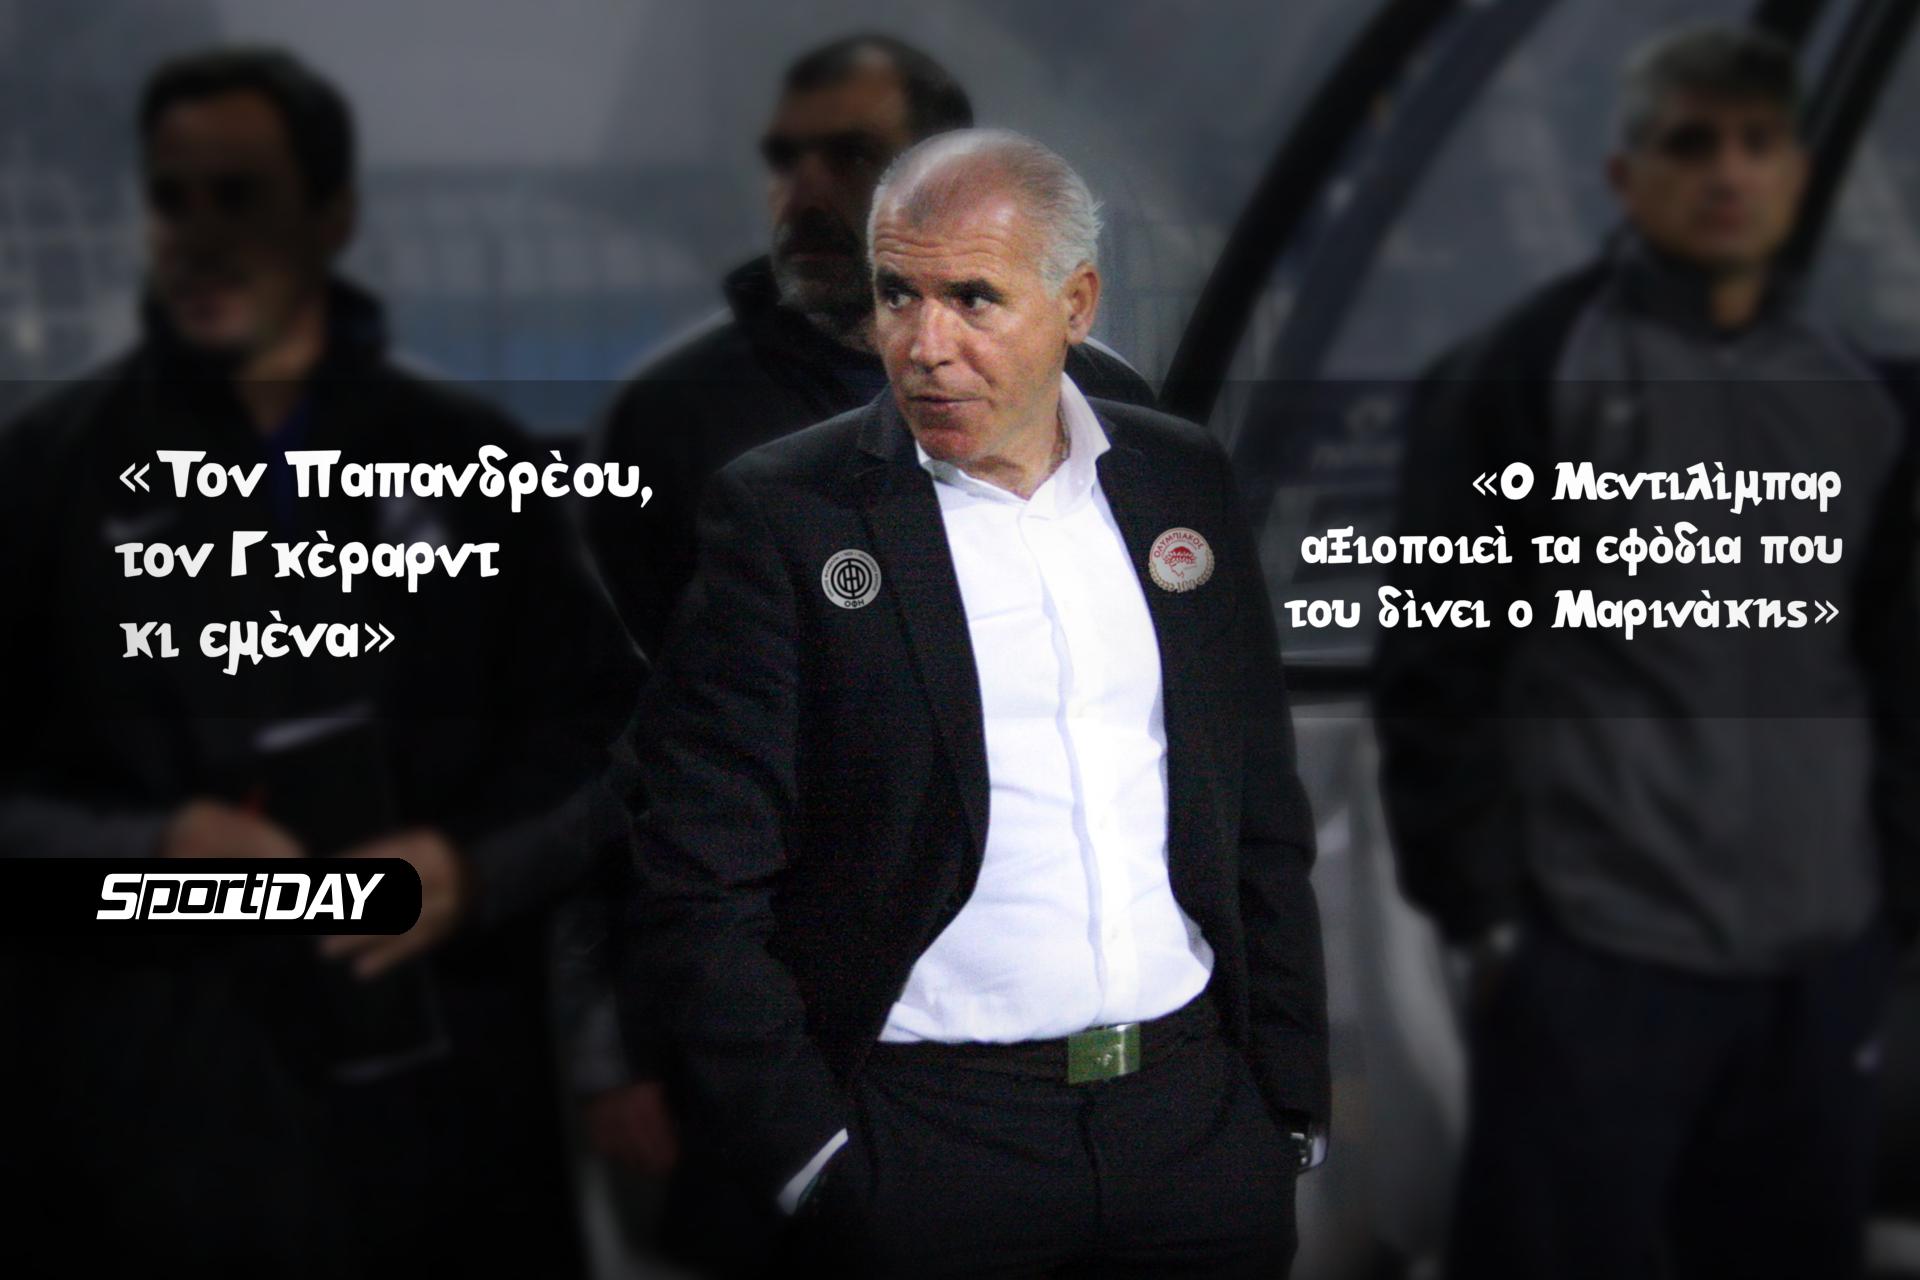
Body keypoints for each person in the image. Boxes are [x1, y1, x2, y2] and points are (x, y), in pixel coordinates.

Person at [624, 128, 1328, 1278]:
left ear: (1077, 303)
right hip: (927, 1145)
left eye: (973, 299)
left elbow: (1257, 805)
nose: (924, 344)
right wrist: (810, 1157)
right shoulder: (788, 515)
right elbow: (695, 872)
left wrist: (1285, 1101)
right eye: (897, 294)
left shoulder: (1179, 480)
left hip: (1193, 1129)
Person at [0, 46, 641, 1275]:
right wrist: (148, 850)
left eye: (238, 195)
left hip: (443, 1136)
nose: (198, 235)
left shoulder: (467, 454)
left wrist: (471, 869)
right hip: (143, 1143)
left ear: (332, 215)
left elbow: (608, 745)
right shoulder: (45, 471)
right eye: (173, 198)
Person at [1374, 24, 1920, 1279]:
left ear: (1796, 173)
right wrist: (1493, 924)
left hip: (1817, 966)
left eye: (1757, 143)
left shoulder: (1859, 396)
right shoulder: (1521, 374)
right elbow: (1438, 667)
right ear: (1627, 176)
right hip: (1598, 960)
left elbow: (1895, 665)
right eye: (1691, 144)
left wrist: (1888, 903)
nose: (1728, 173)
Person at [584, 33, 1156, 659]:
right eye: (785, 160)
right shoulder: (675, 418)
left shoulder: (1100, 396)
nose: (801, 195)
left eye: (852, 156)